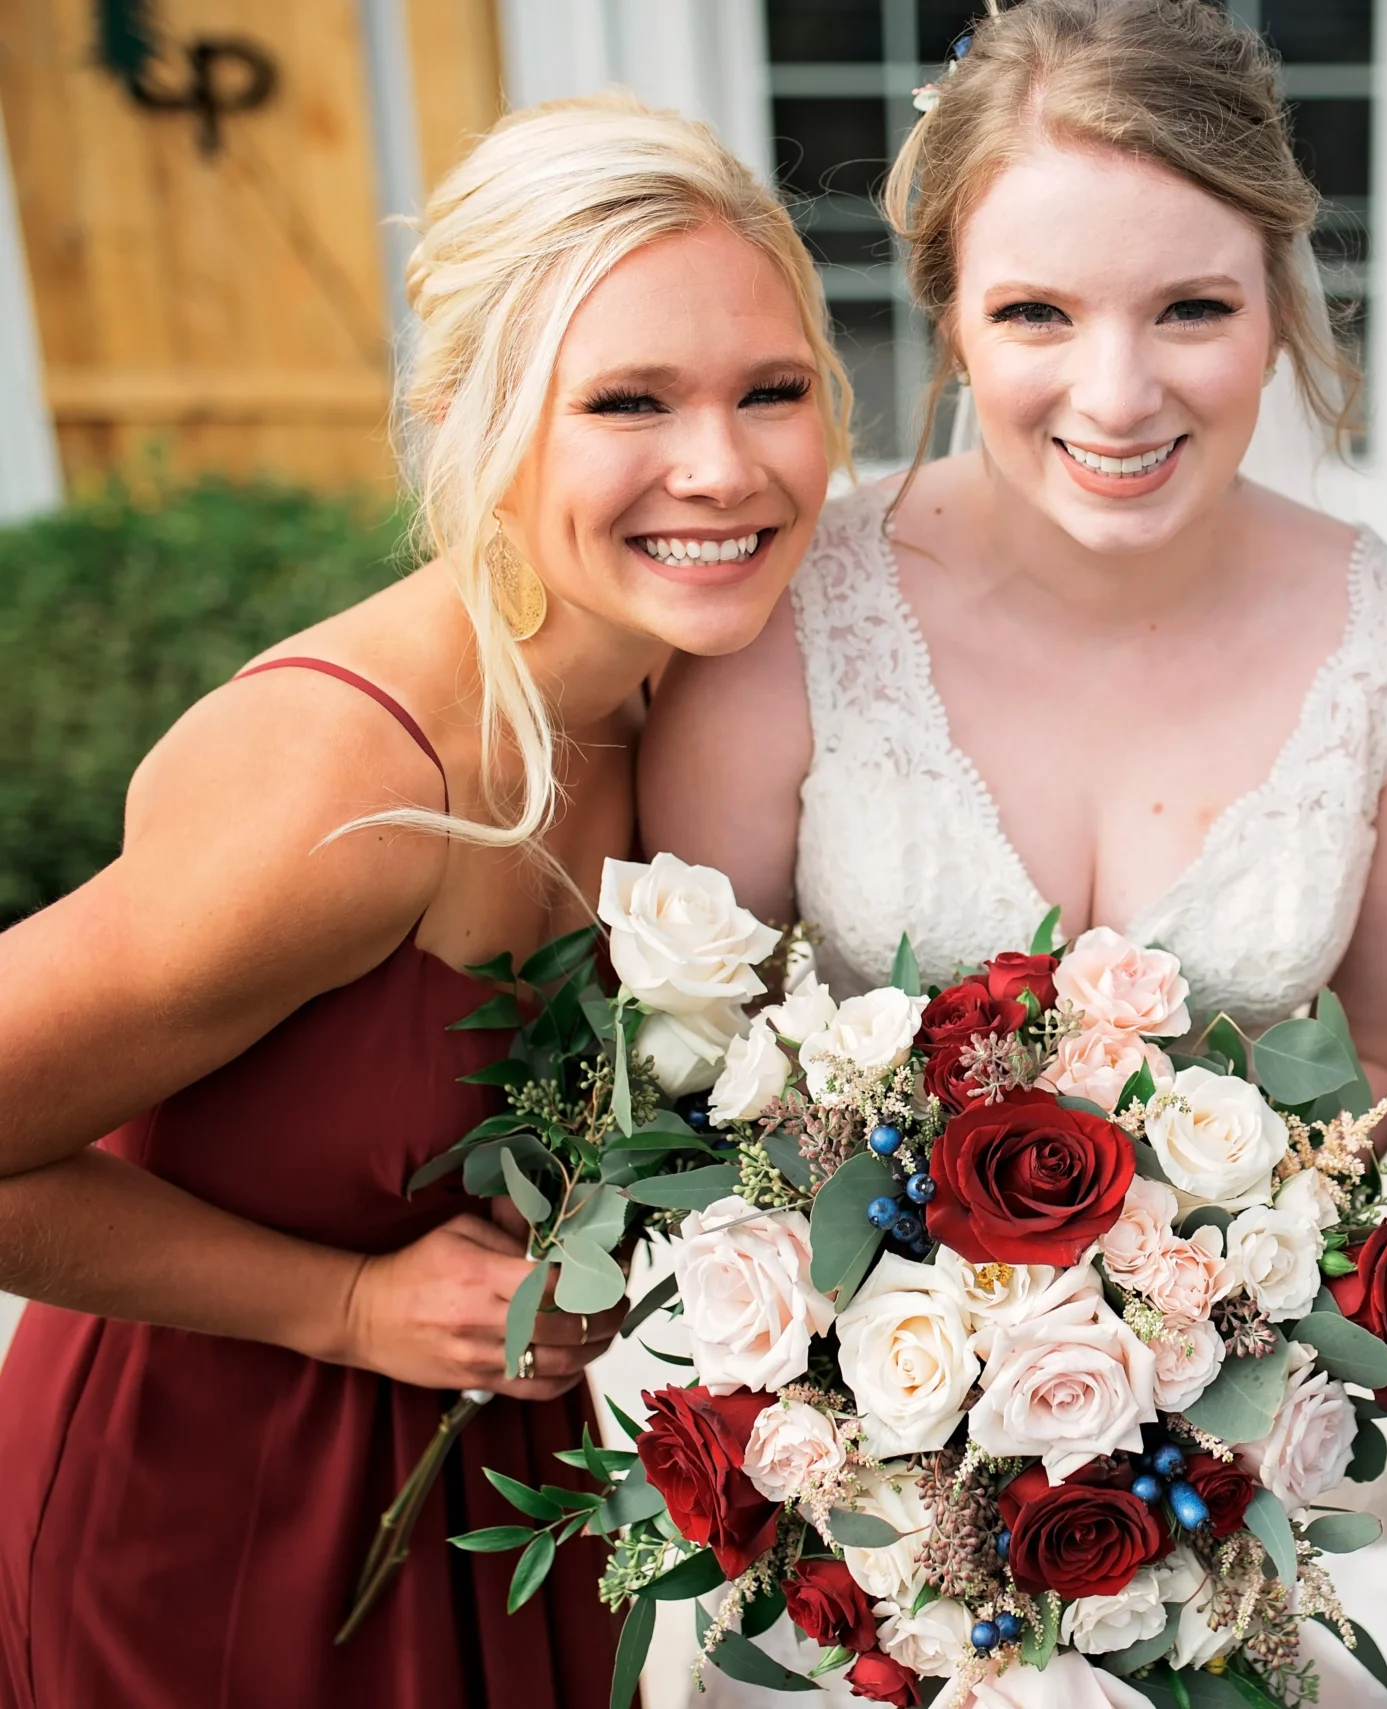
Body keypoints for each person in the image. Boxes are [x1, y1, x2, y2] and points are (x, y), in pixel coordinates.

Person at [0, 95, 849, 1708]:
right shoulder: (348, 780)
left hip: (497, 1494)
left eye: (773, 390)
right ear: (477, 416)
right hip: (206, 1530)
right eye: (627, 400)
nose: (724, 465)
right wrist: (347, 1302)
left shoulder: (697, 698)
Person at [641, 0, 1387, 1120]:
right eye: (1037, 312)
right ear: (952, 319)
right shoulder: (792, 613)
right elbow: (692, 1058)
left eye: (1191, 309)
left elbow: (1386, 1073)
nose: (1116, 398)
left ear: (1280, 314)